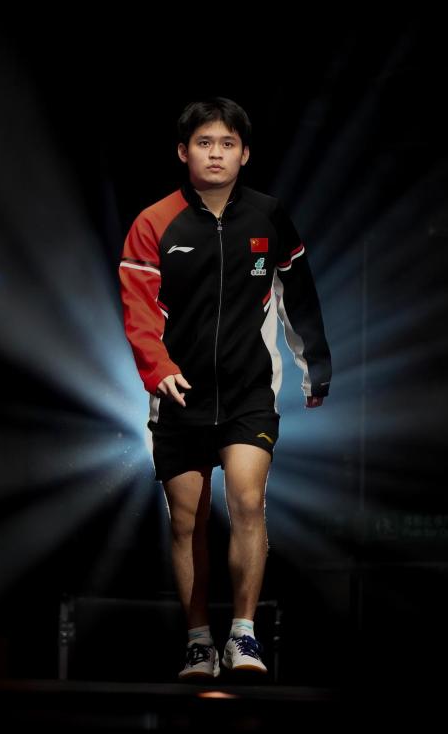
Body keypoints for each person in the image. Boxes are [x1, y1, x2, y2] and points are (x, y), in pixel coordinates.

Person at [118, 97, 332, 680]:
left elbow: (298, 297)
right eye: (205, 143)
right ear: (183, 152)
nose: (216, 154)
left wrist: (315, 366)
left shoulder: (270, 217)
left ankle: (243, 634)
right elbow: (139, 309)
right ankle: (197, 641)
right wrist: (157, 368)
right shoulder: (153, 222)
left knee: (246, 501)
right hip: (179, 394)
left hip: (248, 392)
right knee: (185, 522)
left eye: (228, 144)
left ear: (245, 154)